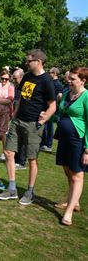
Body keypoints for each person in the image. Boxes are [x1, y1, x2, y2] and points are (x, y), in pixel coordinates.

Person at [0, 49, 56, 205]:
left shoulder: (47, 81)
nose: (27, 64)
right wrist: (14, 116)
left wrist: (42, 121)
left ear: (39, 61)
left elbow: (53, 106)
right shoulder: (27, 77)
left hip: (33, 124)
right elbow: (21, 99)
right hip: (18, 120)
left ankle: (29, 192)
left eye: (29, 61)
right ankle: (11, 189)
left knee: (32, 159)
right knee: (9, 152)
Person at [54, 66, 88, 226]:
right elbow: (60, 113)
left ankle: (68, 213)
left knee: (77, 174)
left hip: (78, 140)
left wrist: (87, 149)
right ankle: (73, 202)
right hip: (64, 139)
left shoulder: (86, 96)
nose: (69, 81)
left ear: (83, 80)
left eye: (73, 79)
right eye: (70, 78)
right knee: (67, 171)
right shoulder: (67, 93)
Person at [40, 67, 63, 152]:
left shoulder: (58, 84)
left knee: (49, 126)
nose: (49, 74)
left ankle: (48, 144)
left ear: (55, 73)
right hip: (46, 106)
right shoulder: (51, 82)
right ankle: (43, 143)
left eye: (50, 72)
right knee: (45, 125)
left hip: (52, 108)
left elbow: (57, 97)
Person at [12, 68, 27, 170]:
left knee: (23, 140)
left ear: (21, 77)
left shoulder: (26, 86)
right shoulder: (17, 86)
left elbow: (24, 101)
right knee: (17, 138)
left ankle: (21, 162)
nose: (14, 80)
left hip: (24, 116)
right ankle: (16, 159)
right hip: (17, 114)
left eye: (15, 78)